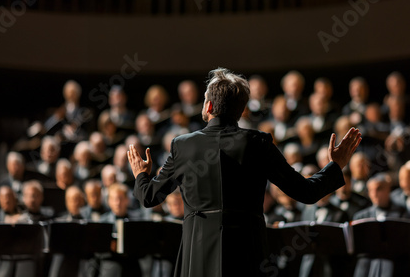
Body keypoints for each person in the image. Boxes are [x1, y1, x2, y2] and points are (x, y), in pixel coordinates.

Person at [127, 68, 362, 277]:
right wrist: (336, 165)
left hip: (197, 253)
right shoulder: (258, 143)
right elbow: (307, 192)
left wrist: (140, 174)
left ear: (208, 106)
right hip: (247, 253)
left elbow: (149, 197)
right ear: (241, 110)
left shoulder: (183, 145)